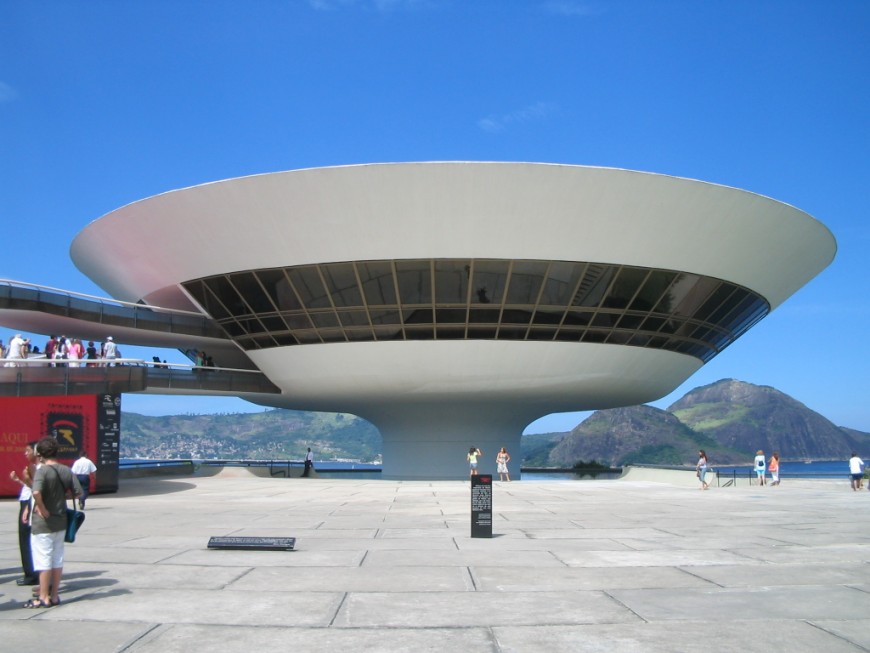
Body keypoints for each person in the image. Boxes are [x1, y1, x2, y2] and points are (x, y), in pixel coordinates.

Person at [26, 437, 82, 609]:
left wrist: (42, 507)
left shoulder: (42, 471)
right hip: (61, 521)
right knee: (57, 559)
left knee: (43, 560)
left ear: (40, 454)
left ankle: (43, 597)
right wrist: (61, 498)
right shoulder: (66, 470)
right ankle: (55, 595)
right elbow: (78, 492)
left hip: (44, 524)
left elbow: (36, 492)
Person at [9, 442, 39, 586]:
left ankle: (31, 574)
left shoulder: (36, 468)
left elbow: (35, 489)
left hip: (29, 503)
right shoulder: (32, 468)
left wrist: (27, 507)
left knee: (26, 539)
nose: (25, 453)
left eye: (28, 451)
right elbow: (30, 487)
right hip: (27, 501)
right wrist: (19, 481)